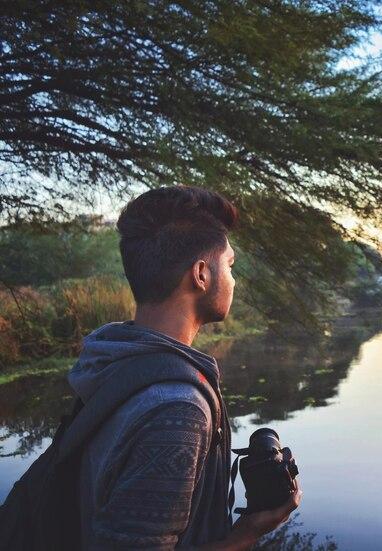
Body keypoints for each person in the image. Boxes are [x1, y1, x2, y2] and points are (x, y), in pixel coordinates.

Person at [68, 186, 301, 549]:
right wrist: (249, 531)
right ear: (201, 274)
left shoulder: (111, 361)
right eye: (230, 265)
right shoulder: (178, 408)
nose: (234, 280)